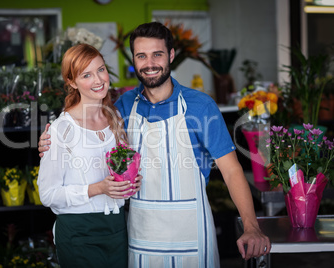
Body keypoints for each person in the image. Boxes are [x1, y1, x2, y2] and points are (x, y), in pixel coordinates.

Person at [39, 22, 271, 267]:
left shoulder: (201, 106)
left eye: (157, 54)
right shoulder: (122, 108)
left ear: (171, 55)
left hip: (192, 234)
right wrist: (51, 141)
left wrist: (251, 226)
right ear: (134, 60)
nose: (149, 64)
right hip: (141, 237)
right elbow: (87, 132)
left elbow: (232, 170)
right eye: (141, 56)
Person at [37, 43, 142, 268]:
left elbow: (119, 172)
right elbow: (47, 194)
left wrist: (131, 182)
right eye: (87, 75)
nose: (98, 80)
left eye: (101, 70)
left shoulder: (115, 119)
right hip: (79, 233)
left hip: (117, 228)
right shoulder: (61, 129)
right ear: (72, 82)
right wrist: (97, 188)